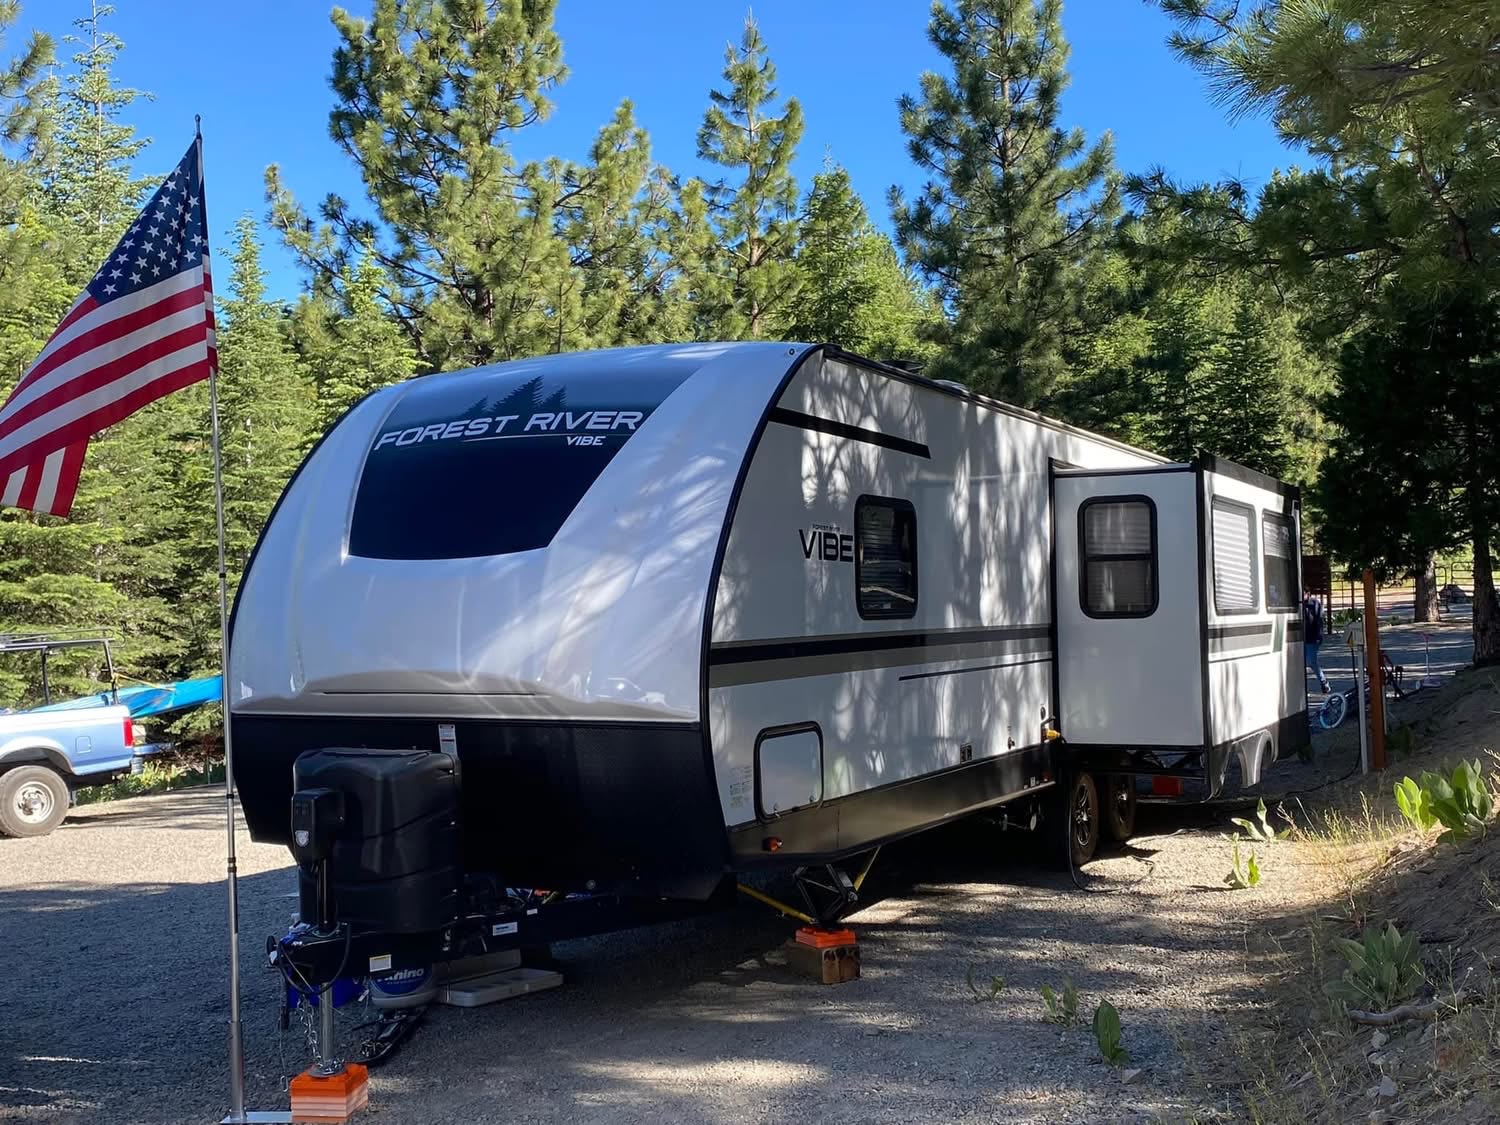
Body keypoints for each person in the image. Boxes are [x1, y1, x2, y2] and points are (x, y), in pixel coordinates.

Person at [1303, 593, 1330, 693]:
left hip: (1312, 638)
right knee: (1301, 663)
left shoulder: (1315, 604)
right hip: (1302, 638)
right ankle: (1304, 688)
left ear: (1307, 593)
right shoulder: (1300, 604)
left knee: (1311, 662)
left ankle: (1323, 681)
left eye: (1303, 593)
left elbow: (1319, 621)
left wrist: (1318, 636)